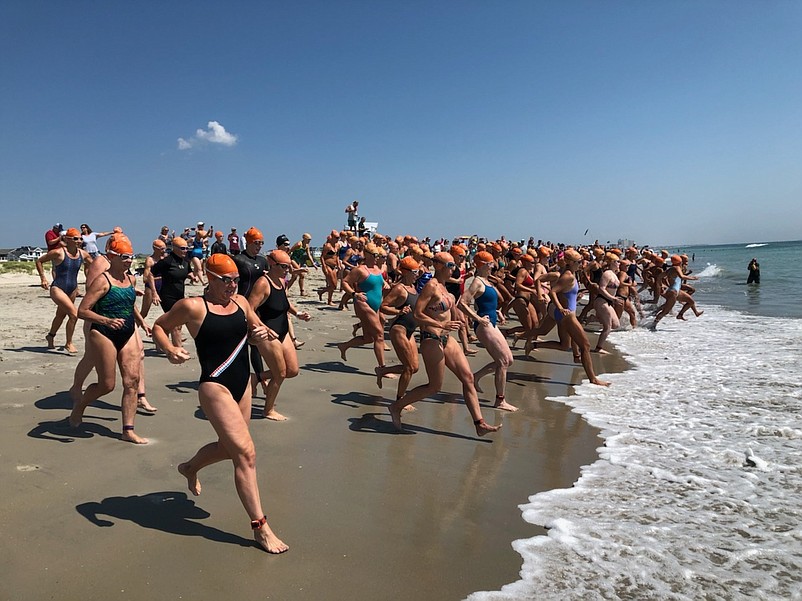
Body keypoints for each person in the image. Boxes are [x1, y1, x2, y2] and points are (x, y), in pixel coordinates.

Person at [151, 253, 288, 554]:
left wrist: (262, 333)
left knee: (229, 449)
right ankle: (260, 527)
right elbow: (158, 327)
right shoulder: (193, 307)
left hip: (243, 384)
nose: (232, 285)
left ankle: (189, 467)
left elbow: (254, 332)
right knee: (246, 454)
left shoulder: (241, 303)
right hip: (215, 386)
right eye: (226, 280)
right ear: (209, 279)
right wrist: (170, 348)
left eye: (236, 280)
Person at [388, 252, 503, 436]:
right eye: (450, 266)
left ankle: (479, 423)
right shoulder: (431, 286)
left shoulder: (444, 286)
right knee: (434, 387)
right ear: (439, 266)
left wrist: (461, 317)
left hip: (447, 339)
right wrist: (441, 324)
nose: (454, 269)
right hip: (431, 339)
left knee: (468, 378)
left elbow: (451, 308)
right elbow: (418, 314)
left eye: (454, 266)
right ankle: (396, 406)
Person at [70, 237, 149, 444]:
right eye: (124, 257)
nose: (129, 261)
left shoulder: (131, 279)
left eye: (131, 257)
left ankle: (128, 430)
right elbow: (82, 311)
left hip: (127, 331)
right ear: (111, 257)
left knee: (132, 381)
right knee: (107, 385)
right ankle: (80, 406)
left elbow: (129, 304)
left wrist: (142, 322)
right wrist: (106, 320)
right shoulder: (102, 281)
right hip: (103, 332)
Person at [525, 249, 610, 387]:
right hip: (567, 315)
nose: (581, 264)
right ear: (571, 262)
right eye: (578, 262)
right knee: (586, 346)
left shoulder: (572, 274)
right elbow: (553, 291)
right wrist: (558, 307)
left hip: (567, 313)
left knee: (564, 344)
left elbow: (566, 292)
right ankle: (593, 379)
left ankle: (527, 340)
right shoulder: (568, 276)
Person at [248, 249, 311, 421]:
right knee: (280, 374)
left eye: (289, 266)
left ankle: (257, 377)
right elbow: (249, 309)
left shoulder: (282, 281)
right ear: (272, 264)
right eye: (284, 266)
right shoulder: (263, 283)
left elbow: (284, 301)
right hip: (267, 334)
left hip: (282, 331)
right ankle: (268, 410)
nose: (288, 270)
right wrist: (262, 328)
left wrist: (298, 313)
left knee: (292, 370)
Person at [458, 251, 517, 412]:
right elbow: (462, 303)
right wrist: (477, 318)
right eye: (491, 263)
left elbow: (487, 302)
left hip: (492, 321)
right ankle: (500, 400)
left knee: (508, 360)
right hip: (484, 326)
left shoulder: (486, 280)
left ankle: (476, 377)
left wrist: (497, 311)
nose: (494, 266)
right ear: (483, 264)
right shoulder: (477, 282)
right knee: (503, 361)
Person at [36, 227, 94, 354]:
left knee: (60, 315)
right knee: (74, 314)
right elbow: (39, 261)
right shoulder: (58, 252)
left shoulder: (83, 254)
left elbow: (94, 265)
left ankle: (50, 336)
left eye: (80, 238)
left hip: (72, 289)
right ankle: (69, 343)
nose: (79, 241)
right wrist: (43, 279)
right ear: (68, 239)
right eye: (75, 239)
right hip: (58, 288)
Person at [336, 243, 390, 375]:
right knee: (379, 335)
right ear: (367, 255)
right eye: (375, 255)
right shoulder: (360, 270)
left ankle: (344, 346)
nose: (378, 258)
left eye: (378, 255)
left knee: (368, 338)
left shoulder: (378, 269)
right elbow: (345, 282)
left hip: (375, 305)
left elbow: (379, 283)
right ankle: (382, 369)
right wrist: (355, 294)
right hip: (363, 305)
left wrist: (385, 283)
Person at [376, 256, 421, 401]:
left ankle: (383, 370)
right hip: (399, 330)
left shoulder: (413, 287)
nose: (417, 274)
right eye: (415, 272)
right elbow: (383, 307)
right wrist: (398, 312)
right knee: (408, 368)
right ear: (406, 272)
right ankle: (400, 400)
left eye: (418, 272)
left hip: (410, 331)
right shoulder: (400, 289)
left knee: (414, 368)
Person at [151, 236, 193, 348]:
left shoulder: (185, 262)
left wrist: (192, 277)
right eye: (182, 248)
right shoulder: (167, 261)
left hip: (180, 295)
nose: (185, 251)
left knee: (173, 322)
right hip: (167, 295)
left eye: (186, 248)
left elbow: (188, 272)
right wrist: (154, 292)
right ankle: (178, 348)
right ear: (174, 248)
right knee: (175, 323)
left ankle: (159, 339)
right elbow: (150, 274)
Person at [653, 255, 703, 327]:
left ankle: (680, 315)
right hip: (673, 292)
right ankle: (653, 324)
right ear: (680, 262)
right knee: (665, 312)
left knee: (691, 302)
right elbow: (682, 276)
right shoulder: (677, 268)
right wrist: (693, 278)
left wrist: (660, 286)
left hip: (675, 291)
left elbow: (659, 277)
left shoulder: (670, 269)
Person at [592, 253, 623, 354]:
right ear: (611, 262)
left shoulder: (615, 273)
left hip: (608, 301)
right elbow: (601, 288)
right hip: (602, 300)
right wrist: (613, 298)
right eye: (617, 261)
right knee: (607, 326)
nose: (619, 263)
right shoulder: (607, 274)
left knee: (616, 325)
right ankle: (598, 348)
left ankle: (594, 318)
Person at [140, 239, 166, 319]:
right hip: (151, 287)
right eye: (162, 249)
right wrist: (159, 278)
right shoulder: (150, 260)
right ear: (155, 249)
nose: (164, 250)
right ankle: (135, 328)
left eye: (164, 248)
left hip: (164, 286)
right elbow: (145, 278)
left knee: (169, 311)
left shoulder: (165, 258)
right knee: (144, 312)